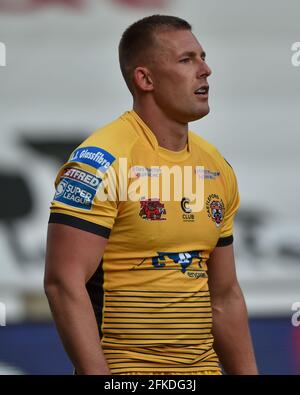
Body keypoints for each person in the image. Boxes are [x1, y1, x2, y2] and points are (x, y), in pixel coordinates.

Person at [44, 15, 258, 375]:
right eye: (186, 59)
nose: (206, 70)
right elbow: (63, 283)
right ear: (145, 79)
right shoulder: (100, 161)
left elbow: (225, 296)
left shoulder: (216, 166)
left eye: (202, 57)